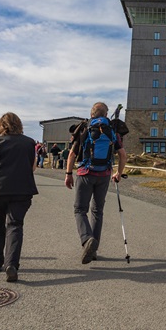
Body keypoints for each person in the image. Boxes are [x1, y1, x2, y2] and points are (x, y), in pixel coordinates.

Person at [65, 102, 126, 264]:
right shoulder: (111, 130)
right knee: (97, 211)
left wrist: (68, 174)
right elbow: (122, 154)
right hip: (104, 174)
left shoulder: (85, 128)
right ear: (106, 114)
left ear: (92, 114)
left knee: (80, 209)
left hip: (85, 173)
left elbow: (72, 154)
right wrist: (118, 173)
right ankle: (93, 250)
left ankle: (87, 239)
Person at [0, 112, 38, 283]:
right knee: (15, 225)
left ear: (1, 126)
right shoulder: (30, 143)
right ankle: (11, 264)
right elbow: (33, 167)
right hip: (22, 189)